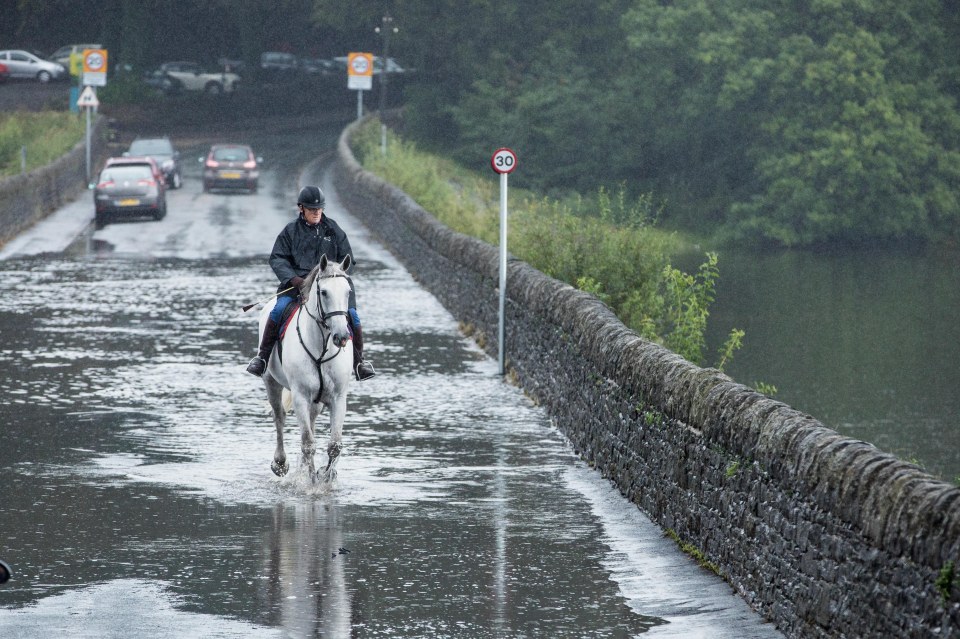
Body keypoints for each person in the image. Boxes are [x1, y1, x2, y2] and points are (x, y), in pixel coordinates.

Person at [246, 185, 376, 381]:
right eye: (312, 209)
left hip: (331, 289)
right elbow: (277, 258)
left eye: (319, 209)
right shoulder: (290, 231)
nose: (316, 213)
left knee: (353, 316)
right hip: (297, 286)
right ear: (301, 208)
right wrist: (294, 279)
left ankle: (359, 363)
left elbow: (348, 259)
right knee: (277, 310)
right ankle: (262, 358)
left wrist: (337, 276)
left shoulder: (333, 230)